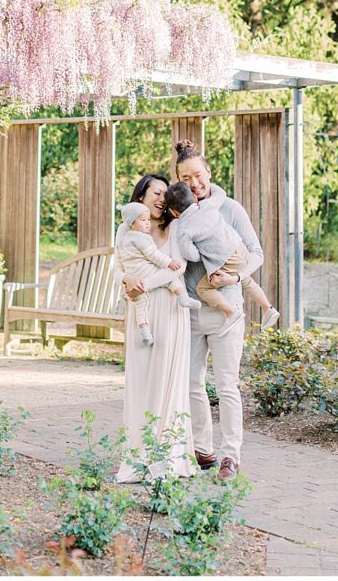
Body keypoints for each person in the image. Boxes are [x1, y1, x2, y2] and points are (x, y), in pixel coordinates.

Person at [174, 138, 264, 481]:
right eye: (186, 179)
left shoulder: (231, 209)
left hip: (227, 309)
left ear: (208, 172)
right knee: (193, 383)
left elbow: (256, 252)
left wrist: (238, 275)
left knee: (227, 385)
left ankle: (231, 456)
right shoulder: (178, 212)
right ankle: (203, 450)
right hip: (192, 311)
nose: (194, 183)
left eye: (198, 175)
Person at [113, 174, 197, 483]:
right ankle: (137, 458)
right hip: (141, 312)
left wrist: (143, 284)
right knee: (140, 382)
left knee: (167, 379)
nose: (162, 199)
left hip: (170, 309)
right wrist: (126, 280)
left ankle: (167, 457)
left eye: (165, 194)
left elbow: (179, 266)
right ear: (141, 198)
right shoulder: (126, 230)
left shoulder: (175, 227)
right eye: (156, 193)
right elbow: (117, 267)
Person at [165, 181, 279, 327]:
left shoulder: (183, 229)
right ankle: (267, 308)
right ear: (194, 197)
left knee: (203, 289)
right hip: (240, 248)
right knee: (246, 280)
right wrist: (207, 185)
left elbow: (191, 255)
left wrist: (202, 252)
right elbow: (220, 194)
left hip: (225, 260)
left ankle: (231, 312)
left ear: (174, 213)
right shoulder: (207, 205)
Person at [115, 200, 200, 346]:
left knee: (139, 304)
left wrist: (137, 283)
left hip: (136, 275)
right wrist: (169, 262)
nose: (147, 223)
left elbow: (122, 261)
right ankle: (182, 297)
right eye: (143, 220)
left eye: (148, 219)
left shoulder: (125, 239)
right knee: (172, 280)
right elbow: (153, 255)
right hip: (145, 271)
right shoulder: (141, 238)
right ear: (131, 223)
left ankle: (145, 331)